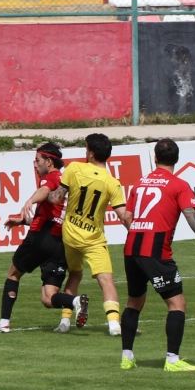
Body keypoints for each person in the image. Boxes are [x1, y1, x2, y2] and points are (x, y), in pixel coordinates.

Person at [120, 138, 195, 372]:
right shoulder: (179, 184)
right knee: (177, 304)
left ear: (155, 158)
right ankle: (173, 360)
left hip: (132, 247)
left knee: (134, 302)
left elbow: (126, 216)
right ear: (176, 159)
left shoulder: (140, 183)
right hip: (155, 250)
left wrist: (139, 231)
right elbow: (190, 214)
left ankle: (126, 357)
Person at [0, 142, 85, 334]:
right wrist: (23, 222)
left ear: (49, 162)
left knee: (13, 274)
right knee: (48, 298)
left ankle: (4, 323)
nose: (35, 164)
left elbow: (44, 191)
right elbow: (53, 214)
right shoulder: (67, 181)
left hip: (40, 238)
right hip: (59, 243)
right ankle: (75, 301)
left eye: (37, 160)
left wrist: (30, 200)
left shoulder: (51, 178)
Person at [48, 132, 132, 335]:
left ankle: (64, 322)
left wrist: (46, 194)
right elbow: (123, 215)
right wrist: (137, 234)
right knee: (106, 281)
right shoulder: (112, 182)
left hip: (70, 235)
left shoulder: (74, 168)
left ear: (92, 153)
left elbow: (56, 198)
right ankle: (114, 325)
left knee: (74, 275)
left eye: (86, 149)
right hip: (93, 239)